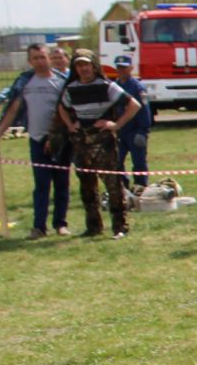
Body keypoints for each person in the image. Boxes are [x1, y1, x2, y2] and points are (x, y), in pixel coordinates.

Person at [56, 50, 139, 238]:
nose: (83, 69)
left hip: (103, 141)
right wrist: (70, 125)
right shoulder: (72, 88)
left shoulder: (107, 86)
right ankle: (93, 227)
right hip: (81, 141)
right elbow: (62, 107)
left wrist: (116, 125)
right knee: (87, 185)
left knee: (113, 184)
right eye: (79, 65)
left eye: (86, 64)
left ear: (94, 66)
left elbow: (134, 105)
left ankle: (120, 227)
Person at [0, 43, 70, 238]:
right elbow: (12, 110)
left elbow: (69, 110)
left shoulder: (61, 81)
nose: (39, 61)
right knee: (41, 185)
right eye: (35, 58)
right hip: (36, 139)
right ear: (29, 61)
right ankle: (39, 227)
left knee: (61, 182)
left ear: (49, 58)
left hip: (59, 140)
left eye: (42, 57)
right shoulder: (25, 82)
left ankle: (60, 224)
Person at [114, 67, 153, 192]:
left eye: (124, 68)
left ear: (130, 69)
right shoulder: (115, 86)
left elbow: (144, 109)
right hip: (120, 130)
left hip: (135, 130)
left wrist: (143, 130)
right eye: (119, 68)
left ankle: (140, 187)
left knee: (139, 161)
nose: (121, 71)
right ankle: (122, 187)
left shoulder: (137, 87)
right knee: (116, 161)